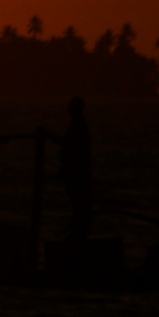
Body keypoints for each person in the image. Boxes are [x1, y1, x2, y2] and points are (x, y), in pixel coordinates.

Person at [60, 96, 92, 241]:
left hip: (77, 170)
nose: (69, 109)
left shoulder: (78, 124)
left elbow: (73, 146)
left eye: (71, 106)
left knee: (78, 200)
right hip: (77, 169)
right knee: (77, 201)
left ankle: (78, 231)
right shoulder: (79, 124)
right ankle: (78, 230)